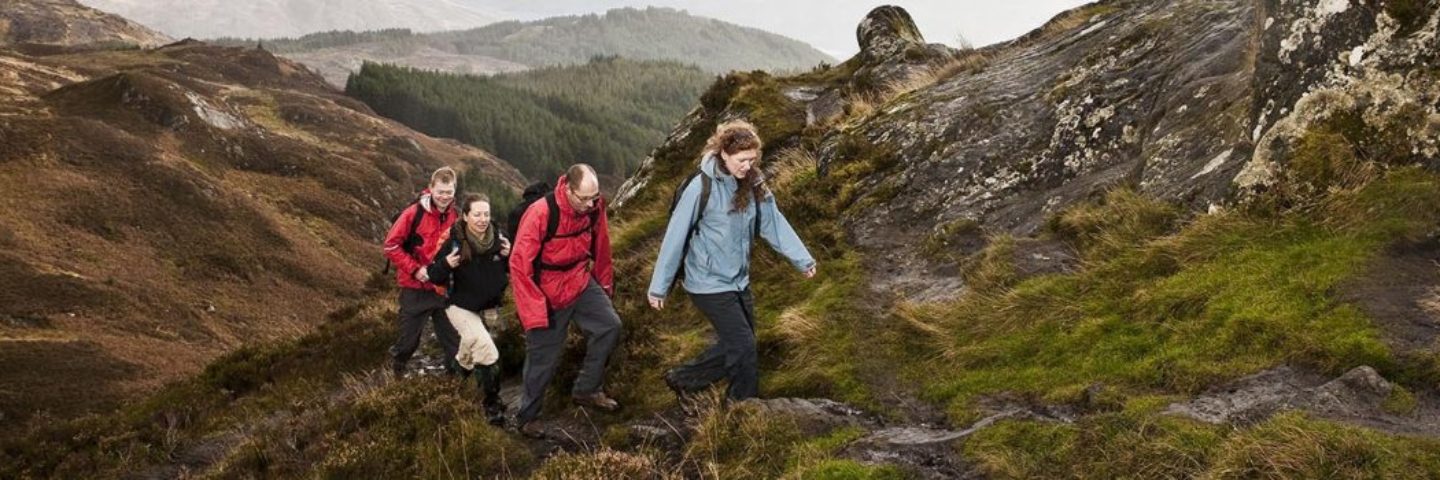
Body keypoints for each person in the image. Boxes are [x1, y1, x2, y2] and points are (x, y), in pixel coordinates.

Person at [647, 120, 816, 405]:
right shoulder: (701, 186)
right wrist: (659, 287)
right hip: (707, 282)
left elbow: (773, 224)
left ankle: (684, 379)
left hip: (739, 279)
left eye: (752, 159)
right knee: (744, 345)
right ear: (724, 154)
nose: (747, 166)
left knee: (738, 342)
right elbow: (675, 238)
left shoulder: (754, 182)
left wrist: (803, 259)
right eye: (741, 160)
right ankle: (742, 405)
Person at [509, 163, 624, 437]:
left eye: (593, 197)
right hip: (546, 291)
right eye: (583, 198)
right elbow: (519, 264)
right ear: (568, 189)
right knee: (543, 358)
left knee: (610, 326)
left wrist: (604, 284)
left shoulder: (595, 207)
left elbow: (601, 244)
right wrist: (534, 310)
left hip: (579, 281)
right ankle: (527, 418)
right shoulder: (541, 213)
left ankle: (587, 389)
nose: (589, 204)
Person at [427, 193, 511, 425]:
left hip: (490, 306)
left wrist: (509, 255)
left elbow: (513, 267)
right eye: (477, 214)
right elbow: (433, 274)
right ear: (465, 216)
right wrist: (446, 264)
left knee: (470, 350)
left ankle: (454, 382)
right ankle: (491, 404)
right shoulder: (455, 240)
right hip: (460, 306)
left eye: (486, 214)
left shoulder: (500, 237)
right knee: (486, 350)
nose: (483, 219)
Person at [382, 167, 462, 378]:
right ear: (431, 188)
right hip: (415, 288)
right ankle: (395, 376)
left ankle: (454, 386)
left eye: (449, 192)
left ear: (455, 191)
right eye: (441, 191)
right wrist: (416, 270)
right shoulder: (413, 213)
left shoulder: (457, 215)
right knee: (408, 343)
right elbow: (391, 246)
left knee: (453, 342)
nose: (445, 197)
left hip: (443, 288)